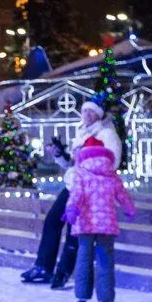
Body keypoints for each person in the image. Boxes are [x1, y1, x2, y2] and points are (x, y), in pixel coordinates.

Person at [21, 96, 122, 288]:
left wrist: (88, 166)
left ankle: (63, 272)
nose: (87, 115)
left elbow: (112, 162)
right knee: (52, 221)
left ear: (99, 114)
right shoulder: (81, 132)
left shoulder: (107, 134)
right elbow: (73, 164)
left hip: (91, 189)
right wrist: (61, 156)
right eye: (85, 111)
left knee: (74, 232)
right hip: (72, 185)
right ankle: (43, 267)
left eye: (92, 111)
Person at [62, 137, 136, 302]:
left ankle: (82, 295)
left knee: (84, 258)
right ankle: (106, 297)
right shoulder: (112, 174)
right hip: (106, 225)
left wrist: (71, 209)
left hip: (85, 224)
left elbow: (76, 195)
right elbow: (122, 195)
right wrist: (129, 208)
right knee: (105, 259)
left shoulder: (80, 174)